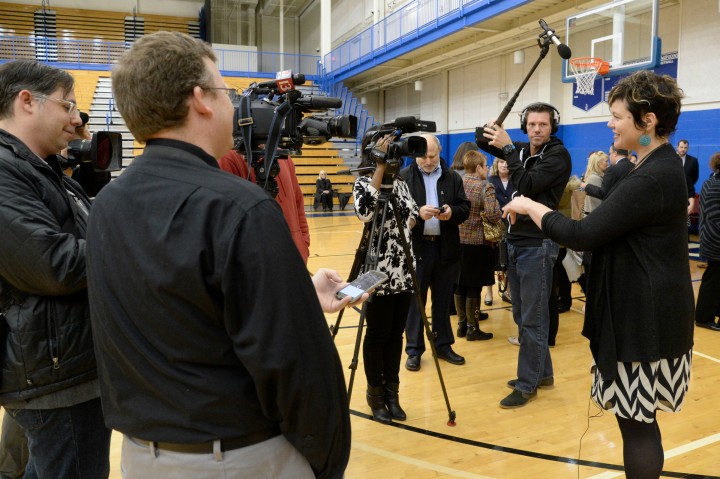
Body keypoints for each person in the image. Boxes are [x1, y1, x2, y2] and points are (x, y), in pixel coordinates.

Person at [85, 31, 354, 479]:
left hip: (140, 458)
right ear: (201, 100)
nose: (234, 105)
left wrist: (297, 291)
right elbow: (297, 369)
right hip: (237, 458)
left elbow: (180, 306)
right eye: (226, 91)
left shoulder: (106, 205)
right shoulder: (239, 207)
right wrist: (325, 463)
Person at [503, 71, 693, 478]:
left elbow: (584, 233)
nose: (610, 123)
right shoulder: (648, 165)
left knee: (637, 428)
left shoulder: (655, 175)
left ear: (648, 122)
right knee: (637, 425)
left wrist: (533, 207)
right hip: (645, 315)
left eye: (618, 116)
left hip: (645, 324)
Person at [0, 60, 111, 477]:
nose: (76, 118)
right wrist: (133, 248)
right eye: (67, 106)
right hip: (55, 373)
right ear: (27, 101)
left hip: (60, 363)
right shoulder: (6, 170)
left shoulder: (43, 168)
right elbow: (54, 265)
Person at [480, 102, 571, 408]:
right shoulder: (524, 151)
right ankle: (542, 373)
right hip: (516, 243)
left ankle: (526, 383)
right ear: (524, 125)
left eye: (542, 125)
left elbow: (527, 184)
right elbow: (481, 140)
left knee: (532, 319)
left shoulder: (557, 156)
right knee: (521, 315)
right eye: (531, 124)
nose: (536, 130)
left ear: (552, 127)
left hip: (538, 246)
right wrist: (495, 126)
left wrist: (508, 149)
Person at [352, 133, 419, 424]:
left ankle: (393, 393)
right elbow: (365, 211)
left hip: (403, 268)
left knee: (396, 334)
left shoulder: (402, 183)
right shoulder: (363, 182)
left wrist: (403, 225)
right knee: (377, 334)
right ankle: (375, 395)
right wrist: (379, 165)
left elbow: (413, 213)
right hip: (377, 270)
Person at [401, 133, 470, 371]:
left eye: (433, 155)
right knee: (415, 302)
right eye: (423, 156)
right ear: (415, 154)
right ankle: (414, 350)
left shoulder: (452, 177)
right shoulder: (403, 178)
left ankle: (443, 345)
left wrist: (452, 213)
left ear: (440, 153)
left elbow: (465, 208)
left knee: (442, 301)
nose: (428, 160)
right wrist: (416, 214)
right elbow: (396, 213)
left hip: (446, 248)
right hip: (417, 249)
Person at [219, 149, 311, 263]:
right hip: (261, 266)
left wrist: (303, 245)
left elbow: (298, 205)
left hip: (296, 259)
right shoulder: (230, 157)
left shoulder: (283, 156)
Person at [455, 150, 499, 341]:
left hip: (457, 242)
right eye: (485, 165)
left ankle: (461, 325)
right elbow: (493, 215)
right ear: (478, 167)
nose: (487, 169)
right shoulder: (485, 187)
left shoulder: (457, 183)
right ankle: (473, 328)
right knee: (474, 286)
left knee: (460, 284)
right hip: (477, 243)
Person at [695, 152, 720, 331]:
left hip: (710, 237)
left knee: (714, 278)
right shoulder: (716, 185)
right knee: (712, 279)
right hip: (716, 240)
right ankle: (703, 317)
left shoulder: (709, 182)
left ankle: (709, 314)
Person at [489, 158, 514, 307]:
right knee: (493, 260)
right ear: (496, 165)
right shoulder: (491, 180)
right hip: (495, 225)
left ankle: (509, 291)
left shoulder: (516, 180)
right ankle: (489, 292)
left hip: (512, 223)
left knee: (510, 259)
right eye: (501, 162)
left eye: (507, 162)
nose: (504, 165)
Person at [582, 150, 609, 216]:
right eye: (606, 161)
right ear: (598, 163)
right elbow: (597, 203)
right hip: (595, 217)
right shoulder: (594, 178)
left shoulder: (595, 176)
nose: (608, 164)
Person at [677, 139, 699, 215]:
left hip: (687, 194)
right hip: (673, 194)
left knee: (685, 219)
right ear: (677, 147)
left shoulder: (693, 161)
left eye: (685, 147)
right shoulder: (671, 159)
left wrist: (688, 186)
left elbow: (695, 177)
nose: (683, 149)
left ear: (688, 148)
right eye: (681, 147)